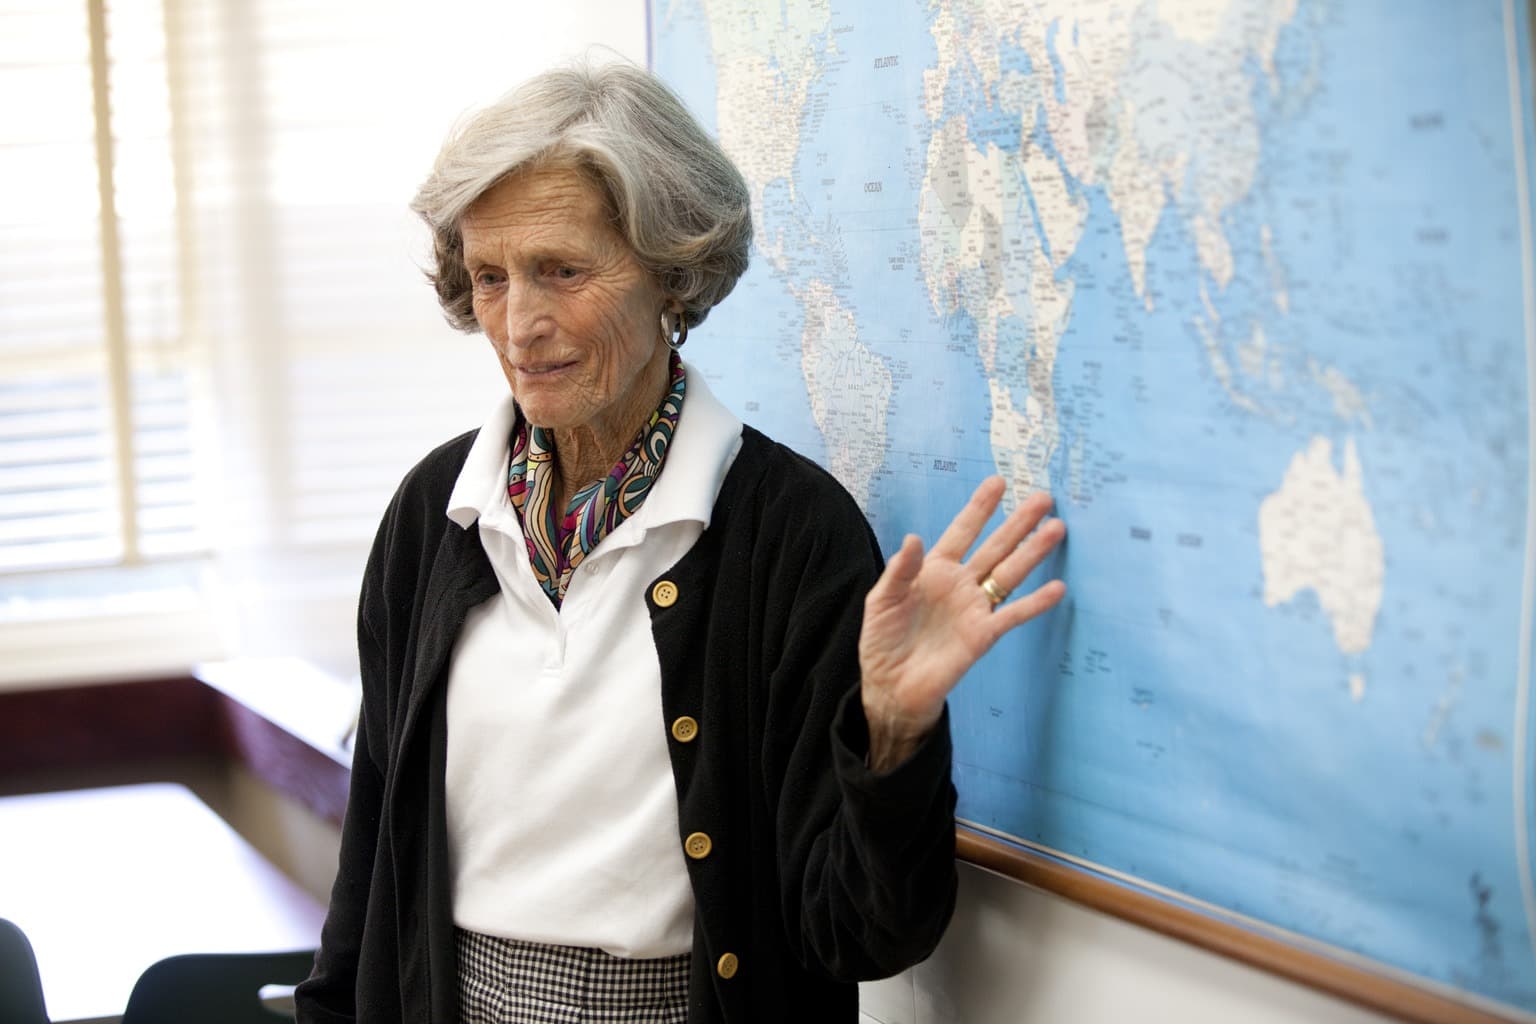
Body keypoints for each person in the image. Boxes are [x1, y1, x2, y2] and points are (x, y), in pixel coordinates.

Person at [294, 60, 1066, 1024]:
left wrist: (893, 736)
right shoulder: (432, 515)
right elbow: (369, 870)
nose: (521, 324)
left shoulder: (792, 537)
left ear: (671, 268)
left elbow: (864, 938)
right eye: (491, 277)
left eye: (563, 271)